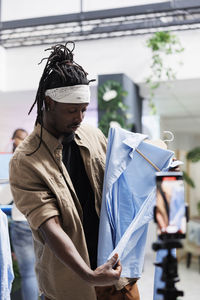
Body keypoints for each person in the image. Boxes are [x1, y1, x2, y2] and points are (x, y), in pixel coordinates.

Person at [9, 42, 130, 300]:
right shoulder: (26, 160)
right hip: (72, 287)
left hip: (116, 277)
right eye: (72, 110)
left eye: (84, 109)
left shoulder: (91, 135)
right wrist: (89, 274)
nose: (80, 117)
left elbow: (119, 182)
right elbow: (49, 226)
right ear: (49, 103)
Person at [9, 128, 39, 300]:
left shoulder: (14, 161)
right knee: (43, 271)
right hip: (39, 220)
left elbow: (9, 194)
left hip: (21, 221)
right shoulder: (36, 159)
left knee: (29, 274)